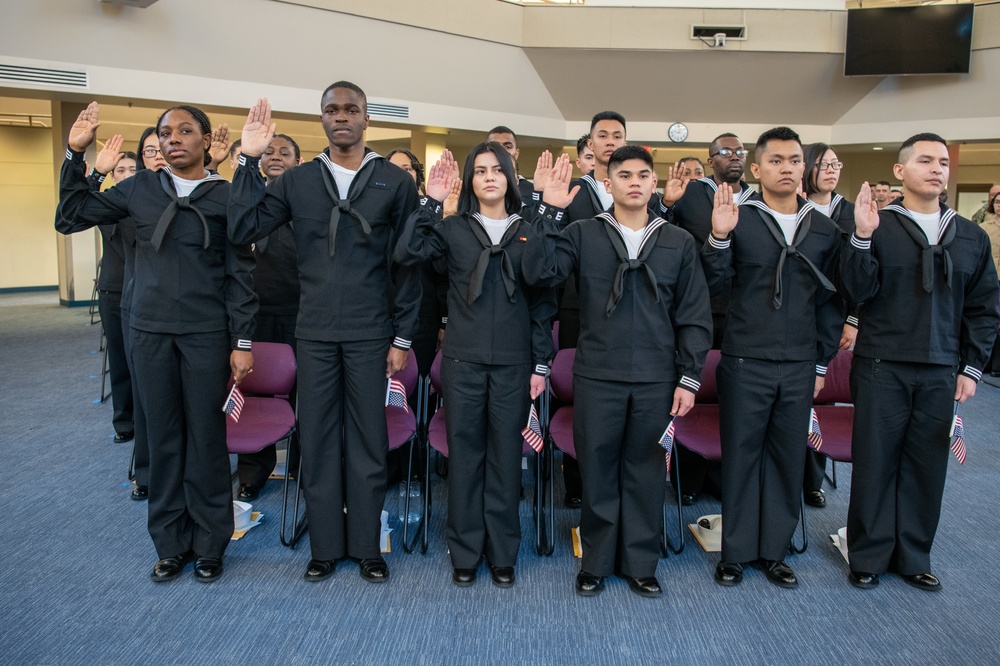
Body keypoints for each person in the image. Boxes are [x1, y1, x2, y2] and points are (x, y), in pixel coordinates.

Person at [56, 102, 257, 583]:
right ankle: (170, 543)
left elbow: (241, 275)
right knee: (163, 437)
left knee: (207, 439)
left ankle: (211, 544)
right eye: (166, 133)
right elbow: (71, 216)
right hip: (148, 330)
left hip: (206, 335)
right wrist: (77, 156)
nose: (173, 139)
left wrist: (243, 340)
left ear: (207, 141)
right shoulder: (140, 187)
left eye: (186, 131)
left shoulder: (225, 196)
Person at [229, 85, 420, 584]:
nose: (341, 118)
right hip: (312, 332)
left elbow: (408, 267)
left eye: (351, 110)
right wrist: (248, 161)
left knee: (368, 440)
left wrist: (402, 338)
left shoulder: (395, 181)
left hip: (370, 333)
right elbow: (242, 225)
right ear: (322, 120)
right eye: (332, 110)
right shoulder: (298, 180)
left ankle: (366, 545)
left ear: (366, 119)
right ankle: (325, 547)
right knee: (315, 441)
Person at [527, 147, 713, 598]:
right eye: (623, 174)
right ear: (606, 184)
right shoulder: (581, 233)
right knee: (599, 470)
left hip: (656, 378)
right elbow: (537, 272)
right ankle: (595, 562)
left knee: (647, 472)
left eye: (643, 175)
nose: (634, 181)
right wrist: (548, 210)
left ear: (655, 184)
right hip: (597, 374)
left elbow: (694, 315)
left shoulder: (678, 241)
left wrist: (689, 377)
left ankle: (640, 563)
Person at [843, 133, 1000, 592]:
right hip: (880, 363)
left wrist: (972, 367)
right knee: (875, 460)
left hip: (940, 368)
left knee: (926, 464)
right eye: (925, 160)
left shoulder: (969, 235)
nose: (937, 169)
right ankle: (867, 555)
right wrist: (862, 238)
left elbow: (984, 307)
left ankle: (913, 555)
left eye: (943, 163)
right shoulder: (876, 222)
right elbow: (854, 292)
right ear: (900, 171)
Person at [395, 143, 554, 588]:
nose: (489, 177)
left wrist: (540, 365)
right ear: (469, 181)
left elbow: (544, 298)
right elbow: (408, 251)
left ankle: (503, 553)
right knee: (465, 458)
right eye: (480, 171)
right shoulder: (453, 228)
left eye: (497, 170)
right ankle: (464, 551)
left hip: (514, 364)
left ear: (510, 178)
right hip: (462, 363)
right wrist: (430, 199)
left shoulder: (529, 227)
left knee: (506, 460)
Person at [703, 127, 843, 589]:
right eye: (777, 160)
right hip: (746, 359)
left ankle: (775, 552)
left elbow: (831, 306)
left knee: (787, 457)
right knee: (741, 457)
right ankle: (736, 552)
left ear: (805, 168)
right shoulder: (738, 217)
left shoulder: (824, 228)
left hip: (801, 363)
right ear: (757, 169)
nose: (787, 167)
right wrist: (719, 239)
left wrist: (822, 364)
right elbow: (712, 286)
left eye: (795, 160)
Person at [661, 133, 756, 506]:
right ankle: (689, 478)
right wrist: (667, 202)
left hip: (743, 312)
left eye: (739, 151)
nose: (733, 157)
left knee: (730, 398)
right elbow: (664, 229)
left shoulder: (758, 200)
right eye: (725, 152)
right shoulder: (690, 194)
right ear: (710, 158)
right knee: (690, 391)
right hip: (695, 308)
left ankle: (722, 476)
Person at [236, 133, 303, 502]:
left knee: (306, 393)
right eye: (269, 151)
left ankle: (303, 464)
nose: (276, 156)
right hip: (255, 313)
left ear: (298, 160)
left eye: (285, 152)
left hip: (300, 312)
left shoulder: (306, 200)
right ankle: (252, 472)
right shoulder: (247, 200)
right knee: (254, 392)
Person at [800, 142, 858, 508]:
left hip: (834, 318)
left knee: (819, 398)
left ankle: (812, 480)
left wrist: (852, 319)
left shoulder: (851, 213)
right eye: (824, 164)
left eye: (836, 164)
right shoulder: (792, 208)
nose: (832, 170)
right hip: (795, 317)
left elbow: (858, 274)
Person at [91, 138, 135, 446]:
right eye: (121, 169)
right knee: (120, 360)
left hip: (142, 292)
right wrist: (96, 172)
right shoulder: (108, 204)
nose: (128, 173)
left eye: (134, 168)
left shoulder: (148, 202)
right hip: (114, 291)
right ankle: (124, 421)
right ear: (113, 175)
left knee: (142, 362)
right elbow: (80, 204)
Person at [978, 188, 1000, 376]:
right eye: (998, 203)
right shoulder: (984, 226)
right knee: (990, 318)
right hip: (991, 279)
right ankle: (986, 363)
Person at [486, 125, 534, 203]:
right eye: (495, 146)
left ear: (516, 153)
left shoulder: (532, 191)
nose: (502, 152)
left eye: (508, 147)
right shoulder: (476, 188)